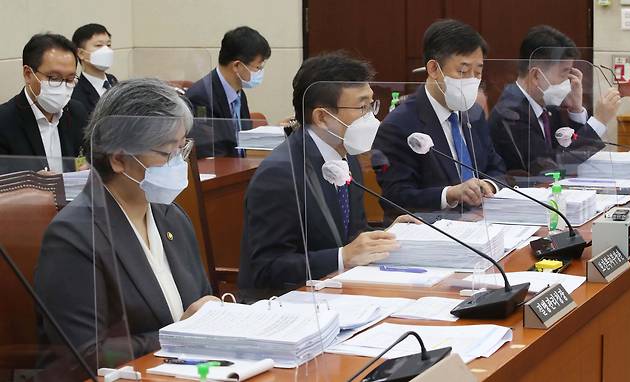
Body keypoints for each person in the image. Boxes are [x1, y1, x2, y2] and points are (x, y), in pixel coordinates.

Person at [35, 78, 216, 367]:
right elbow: (84, 353)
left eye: (182, 149)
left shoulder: (172, 217)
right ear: (119, 159)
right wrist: (178, 334)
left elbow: (199, 305)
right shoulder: (75, 235)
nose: (177, 163)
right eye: (166, 152)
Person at [239, 52, 416, 292]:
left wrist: (386, 235)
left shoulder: (348, 157)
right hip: (292, 305)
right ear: (322, 117)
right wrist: (341, 258)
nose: (372, 118)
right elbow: (266, 269)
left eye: (372, 105)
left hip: (339, 293)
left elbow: (350, 234)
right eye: (362, 107)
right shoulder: (280, 174)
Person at [373, 19, 505, 219]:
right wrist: (449, 194)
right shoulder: (399, 125)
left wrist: (488, 185)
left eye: (477, 72)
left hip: (484, 224)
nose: (472, 80)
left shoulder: (474, 114)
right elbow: (395, 197)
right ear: (434, 69)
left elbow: (496, 166)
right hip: (434, 232)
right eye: (462, 71)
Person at [489, 25, 621, 175]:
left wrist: (576, 110)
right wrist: (599, 121)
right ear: (536, 76)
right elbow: (549, 168)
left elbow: (571, 152)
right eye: (564, 74)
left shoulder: (548, 108)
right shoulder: (510, 113)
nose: (569, 82)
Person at [0, 33, 86, 174]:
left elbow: (87, 156)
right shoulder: (4, 121)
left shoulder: (76, 111)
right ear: (28, 74)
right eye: (53, 78)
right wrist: (31, 183)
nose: (62, 86)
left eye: (70, 79)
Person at [186, 26, 271, 157]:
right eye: (258, 67)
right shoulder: (201, 98)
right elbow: (211, 153)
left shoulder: (238, 92)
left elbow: (244, 142)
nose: (259, 73)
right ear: (237, 66)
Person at [71, 23, 119, 117]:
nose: (106, 50)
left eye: (108, 45)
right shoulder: (77, 94)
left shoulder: (113, 81)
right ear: (81, 53)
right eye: (98, 45)